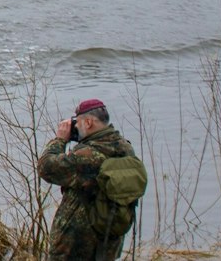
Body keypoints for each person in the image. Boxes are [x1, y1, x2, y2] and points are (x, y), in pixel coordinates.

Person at [39, 99, 144, 261]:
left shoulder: (88, 155)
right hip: (108, 239)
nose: (75, 128)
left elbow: (46, 168)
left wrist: (60, 140)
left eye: (77, 122)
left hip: (76, 243)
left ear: (88, 122)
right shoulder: (125, 148)